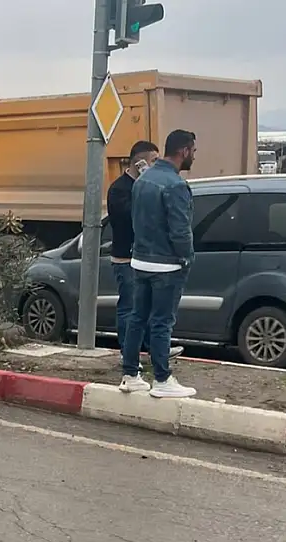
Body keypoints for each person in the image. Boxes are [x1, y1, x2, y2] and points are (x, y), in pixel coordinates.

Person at [119, 129, 198, 398]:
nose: (193, 156)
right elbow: (180, 230)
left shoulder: (143, 180)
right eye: (193, 151)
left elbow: (136, 221)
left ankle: (131, 375)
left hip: (140, 261)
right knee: (162, 322)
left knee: (137, 318)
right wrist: (187, 258)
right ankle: (162, 379)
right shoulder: (176, 185)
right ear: (184, 151)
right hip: (167, 264)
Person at [106, 141, 184, 364]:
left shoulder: (147, 186)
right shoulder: (120, 189)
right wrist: (143, 182)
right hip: (126, 257)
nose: (156, 165)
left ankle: (156, 349)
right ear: (139, 162)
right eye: (153, 161)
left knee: (149, 308)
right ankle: (128, 353)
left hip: (146, 256)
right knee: (130, 307)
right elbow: (131, 217)